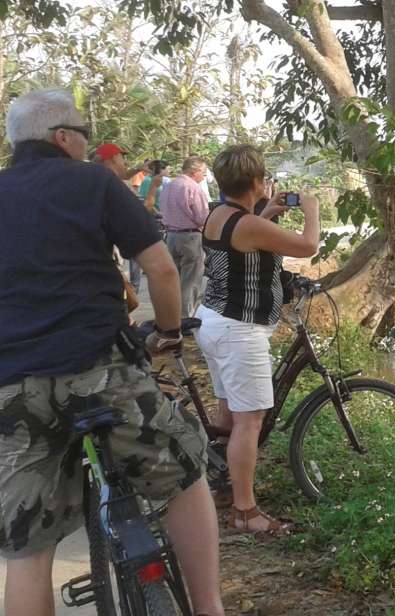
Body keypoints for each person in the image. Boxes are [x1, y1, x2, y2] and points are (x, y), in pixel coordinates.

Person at [0, 88, 224, 616]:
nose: (88, 144)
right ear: (62, 138)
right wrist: (168, 332)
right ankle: (210, 607)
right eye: (83, 134)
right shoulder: (94, 182)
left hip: (14, 387)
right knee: (185, 470)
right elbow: (162, 270)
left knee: (28, 549)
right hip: (99, 370)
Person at [193, 145, 320, 535]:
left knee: (230, 411)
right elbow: (308, 246)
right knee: (250, 421)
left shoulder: (221, 214)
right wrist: (311, 209)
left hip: (213, 320)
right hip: (238, 329)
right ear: (256, 181)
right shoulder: (249, 224)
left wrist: (266, 213)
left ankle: (220, 487)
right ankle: (246, 512)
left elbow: (243, 240)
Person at [93, 143, 153, 292]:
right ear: (113, 158)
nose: (124, 162)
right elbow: (141, 213)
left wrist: (139, 168)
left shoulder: (94, 177)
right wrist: (153, 188)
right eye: (121, 157)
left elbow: (124, 174)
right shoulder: (112, 185)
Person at [158, 156, 210, 316]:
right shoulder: (193, 188)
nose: (204, 176)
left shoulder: (169, 186)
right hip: (190, 237)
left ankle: (171, 314)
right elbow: (202, 217)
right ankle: (185, 317)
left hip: (171, 236)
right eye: (204, 173)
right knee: (191, 281)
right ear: (195, 172)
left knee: (174, 280)